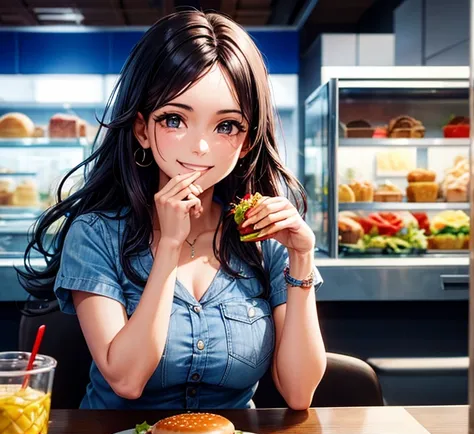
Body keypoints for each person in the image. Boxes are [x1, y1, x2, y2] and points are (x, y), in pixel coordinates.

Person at [19, 10, 326, 410]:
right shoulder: (95, 233)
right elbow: (127, 379)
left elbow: (299, 393)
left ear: (247, 140)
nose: (200, 147)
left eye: (226, 126)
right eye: (176, 119)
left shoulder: (265, 236)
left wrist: (301, 257)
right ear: (142, 129)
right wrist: (168, 247)